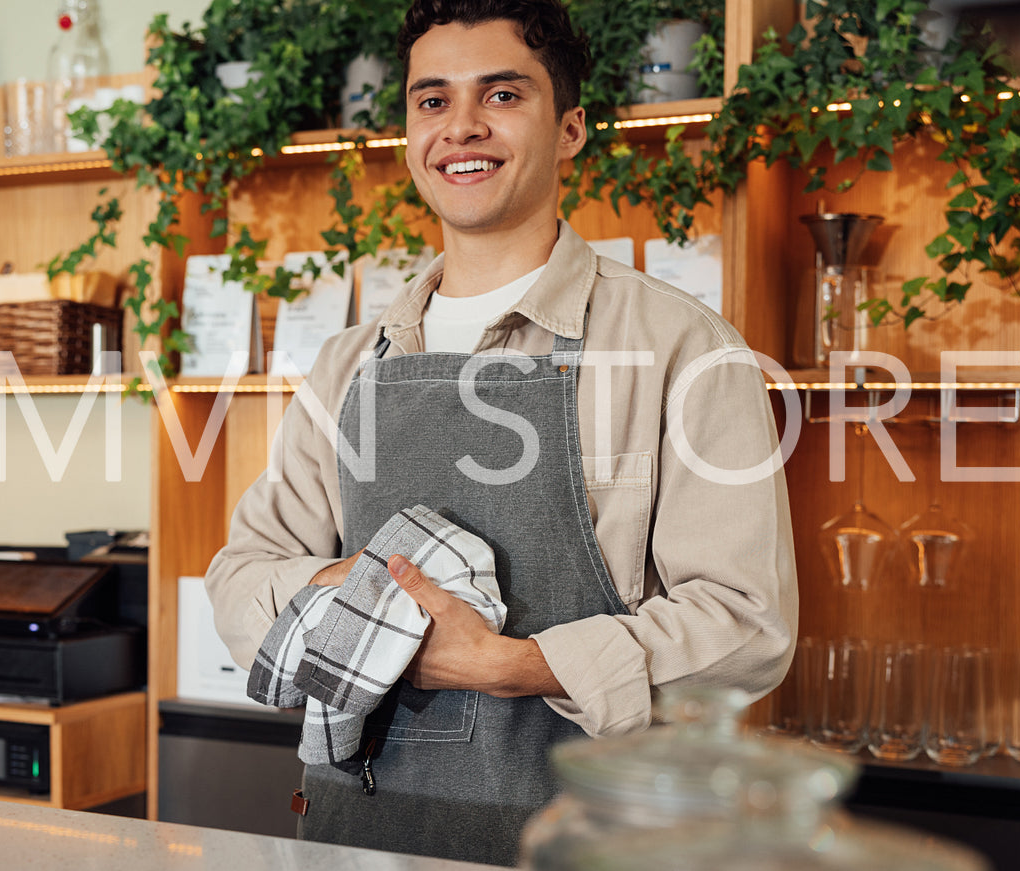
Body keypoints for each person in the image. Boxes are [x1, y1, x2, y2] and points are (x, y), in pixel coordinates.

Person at [202, 0, 798, 865]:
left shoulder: (682, 348)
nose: (461, 127)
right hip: (358, 836)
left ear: (570, 130)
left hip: (597, 836)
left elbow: (746, 626)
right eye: (432, 101)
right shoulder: (346, 364)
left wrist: (511, 664)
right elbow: (238, 580)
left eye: (503, 95)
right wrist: (370, 591)